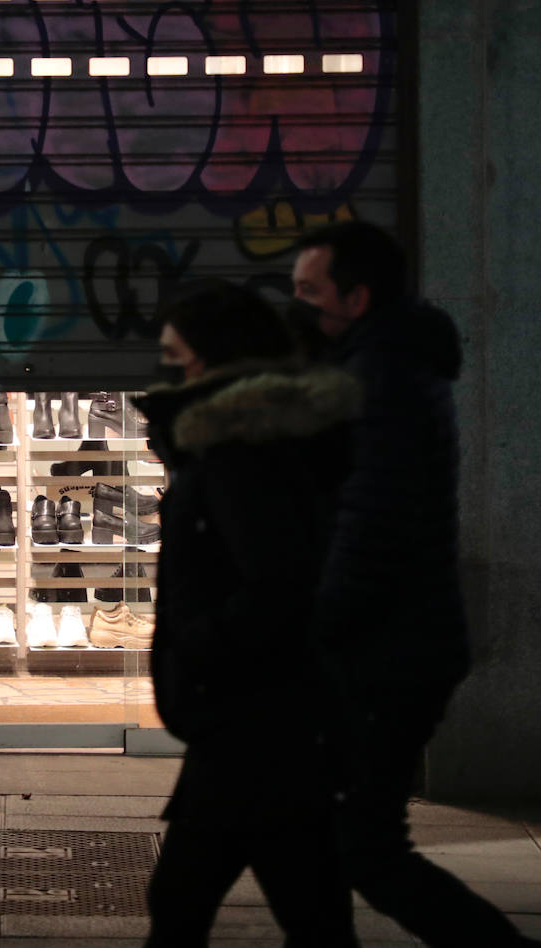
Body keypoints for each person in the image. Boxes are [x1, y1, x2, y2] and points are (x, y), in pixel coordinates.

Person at [289, 221, 541, 947]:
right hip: (394, 645)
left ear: (357, 297)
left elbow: (374, 524)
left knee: (364, 846)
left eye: (311, 291)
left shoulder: (383, 378)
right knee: (327, 840)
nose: (299, 305)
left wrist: (318, 627)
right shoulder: (388, 363)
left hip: (386, 655)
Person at [135, 278, 363, 946]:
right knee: (305, 901)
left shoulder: (242, 456)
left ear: (213, 359)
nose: (171, 373)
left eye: (179, 359)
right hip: (271, 718)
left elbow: (281, 583)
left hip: (254, 720)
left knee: (183, 899)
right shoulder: (252, 443)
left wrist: (199, 648)